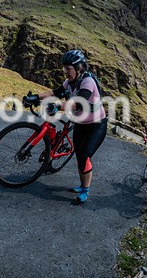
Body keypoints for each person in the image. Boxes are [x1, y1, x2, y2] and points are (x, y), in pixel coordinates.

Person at [23, 49, 108, 204]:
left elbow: (78, 103)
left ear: (79, 68)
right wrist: (35, 97)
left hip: (96, 126)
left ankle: (85, 190)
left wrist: (58, 106)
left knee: (84, 157)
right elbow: (56, 92)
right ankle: (82, 185)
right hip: (80, 125)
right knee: (79, 157)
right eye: (64, 68)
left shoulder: (87, 81)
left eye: (68, 69)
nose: (65, 72)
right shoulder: (70, 82)